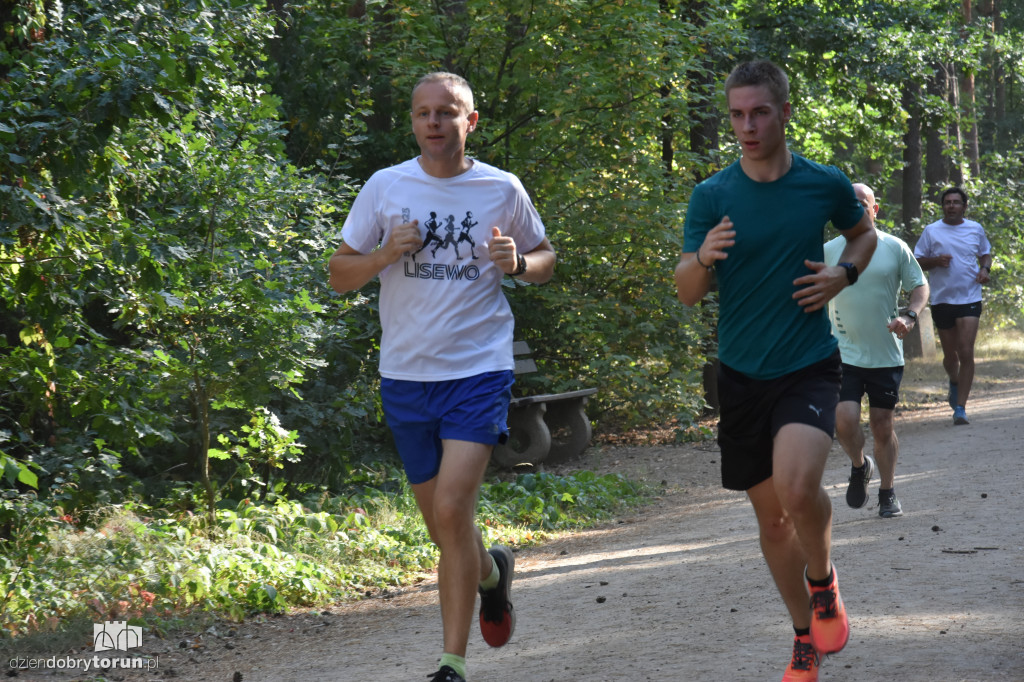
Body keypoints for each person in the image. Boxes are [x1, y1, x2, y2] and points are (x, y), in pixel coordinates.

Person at [328, 72, 556, 682]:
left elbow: (546, 259)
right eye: (423, 113)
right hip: (405, 376)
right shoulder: (385, 187)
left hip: (478, 369)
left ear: (469, 121)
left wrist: (521, 262)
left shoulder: (500, 188)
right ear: (413, 123)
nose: (434, 122)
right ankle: (490, 574)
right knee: (442, 525)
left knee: (454, 508)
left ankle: (450, 664)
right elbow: (338, 274)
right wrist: (382, 255)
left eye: (446, 112)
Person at [674, 60, 876, 682]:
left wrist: (846, 272)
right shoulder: (712, 195)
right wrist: (703, 259)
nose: (747, 126)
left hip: (807, 363)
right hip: (739, 374)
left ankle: (823, 582)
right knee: (770, 520)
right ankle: (802, 637)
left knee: (795, 489)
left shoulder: (823, 183)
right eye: (736, 114)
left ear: (785, 112)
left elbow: (861, 234)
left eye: (759, 112)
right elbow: (685, 290)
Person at [824, 183, 929, 519]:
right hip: (842, 352)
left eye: (862, 203)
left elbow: (920, 286)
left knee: (882, 425)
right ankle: (859, 465)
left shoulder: (894, 247)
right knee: (844, 420)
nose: (856, 208)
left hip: (885, 353)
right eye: (849, 204)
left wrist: (909, 315)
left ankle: (888, 491)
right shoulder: (828, 250)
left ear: (874, 208)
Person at [913, 187, 992, 425]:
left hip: (969, 297)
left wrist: (985, 269)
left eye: (956, 202)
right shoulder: (931, 231)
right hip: (942, 299)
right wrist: (935, 261)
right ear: (942, 206)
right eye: (947, 202)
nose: (951, 206)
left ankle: (960, 407)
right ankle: (954, 381)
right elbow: (917, 261)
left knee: (966, 350)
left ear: (964, 206)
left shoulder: (975, 229)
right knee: (950, 355)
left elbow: (985, 254)